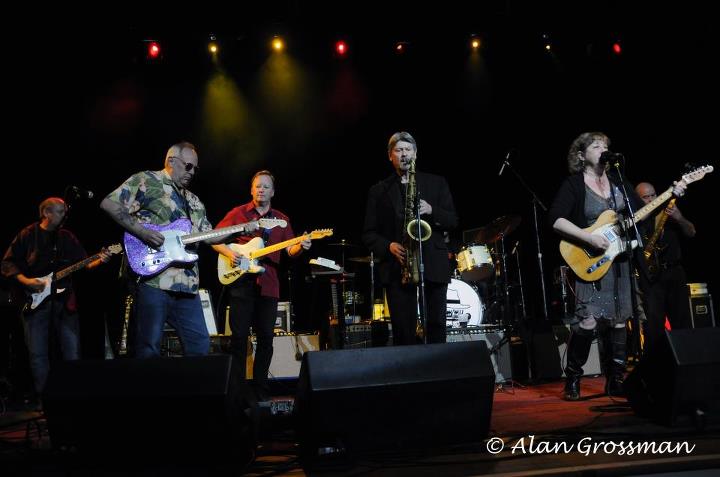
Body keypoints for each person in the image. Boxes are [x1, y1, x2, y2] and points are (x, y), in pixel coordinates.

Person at [548, 132, 687, 401]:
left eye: (605, 145)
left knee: (620, 320)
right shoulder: (574, 184)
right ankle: (573, 378)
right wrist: (588, 237)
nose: (603, 149)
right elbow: (555, 219)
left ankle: (616, 380)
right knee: (587, 321)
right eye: (596, 146)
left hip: (619, 260)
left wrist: (671, 193)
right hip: (590, 259)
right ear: (581, 155)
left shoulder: (618, 182)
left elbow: (640, 215)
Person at [100, 141, 248, 358]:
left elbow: (209, 236)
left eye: (195, 168)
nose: (192, 172)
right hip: (153, 280)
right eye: (188, 166)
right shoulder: (146, 180)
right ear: (171, 161)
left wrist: (242, 229)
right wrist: (142, 232)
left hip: (187, 286)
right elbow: (109, 204)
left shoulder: (194, 201)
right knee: (148, 348)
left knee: (200, 345)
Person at [212, 170, 310, 399]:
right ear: (251, 190)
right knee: (239, 339)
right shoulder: (238, 213)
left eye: (266, 186)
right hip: (241, 283)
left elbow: (290, 250)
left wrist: (301, 246)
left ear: (273, 192)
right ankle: (236, 392)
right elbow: (213, 238)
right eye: (257, 186)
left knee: (266, 339)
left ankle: (260, 391)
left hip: (269, 284)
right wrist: (230, 253)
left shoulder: (282, 220)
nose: (261, 190)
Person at [1, 197, 111, 398]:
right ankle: (45, 400)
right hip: (33, 302)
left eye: (65, 211)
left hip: (64, 301)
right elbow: (7, 263)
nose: (65, 215)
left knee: (72, 352)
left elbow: (85, 263)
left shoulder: (67, 237)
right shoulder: (28, 234)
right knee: (38, 354)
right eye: (60, 211)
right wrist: (27, 281)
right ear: (47, 213)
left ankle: (74, 397)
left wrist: (100, 260)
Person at [362, 131, 458, 345]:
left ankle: (438, 366)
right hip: (398, 267)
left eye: (408, 149)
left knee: (436, 326)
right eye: (398, 150)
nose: (404, 154)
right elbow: (368, 233)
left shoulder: (437, 183)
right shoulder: (378, 190)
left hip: (433, 263)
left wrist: (431, 210)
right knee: (403, 332)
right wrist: (389, 246)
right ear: (390, 156)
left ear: (415, 153)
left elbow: (452, 220)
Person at [635, 181, 696, 352]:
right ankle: (655, 362)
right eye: (645, 197)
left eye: (653, 195)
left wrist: (679, 218)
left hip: (674, 272)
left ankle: (686, 357)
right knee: (653, 326)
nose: (651, 199)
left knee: (682, 320)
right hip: (651, 277)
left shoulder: (669, 210)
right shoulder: (637, 219)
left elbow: (691, 232)